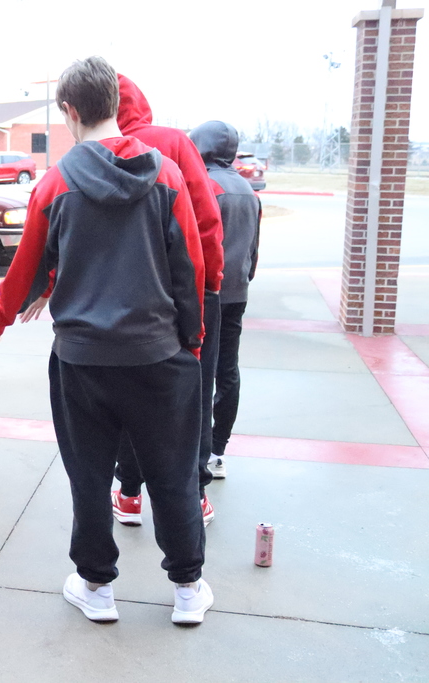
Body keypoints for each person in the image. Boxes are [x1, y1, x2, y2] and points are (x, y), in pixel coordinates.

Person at [0, 56, 214, 624]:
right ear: (117, 103)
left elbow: (27, 270)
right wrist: (194, 340)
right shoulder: (165, 174)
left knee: (89, 476)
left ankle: (96, 588)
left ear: (69, 111)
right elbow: (191, 267)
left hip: (82, 361)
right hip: (160, 355)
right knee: (173, 473)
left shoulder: (55, 183)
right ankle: (187, 591)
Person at [110, 73, 225, 528]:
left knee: (126, 396)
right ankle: (194, 494)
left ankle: (131, 493)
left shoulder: (87, 154)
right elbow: (206, 218)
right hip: (185, 293)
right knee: (191, 394)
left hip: (120, 300)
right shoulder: (173, 142)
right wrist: (211, 285)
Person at [189, 121, 261, 478]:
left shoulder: (205, 186)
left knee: (198, 374)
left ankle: (195, 451)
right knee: (227, 371)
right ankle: (218, 451)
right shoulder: (249, 191)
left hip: (207, 295)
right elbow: (253, 250)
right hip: (237, 293)